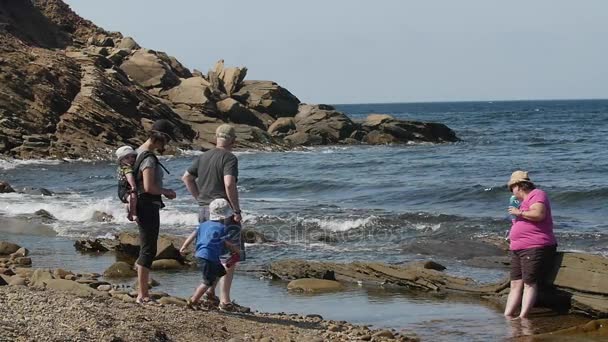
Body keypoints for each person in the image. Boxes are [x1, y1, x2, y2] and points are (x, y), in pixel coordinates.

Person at [181, 124, 248, 313]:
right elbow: (229, 183)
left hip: (204, 209)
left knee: (212, 250)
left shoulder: (203, 157)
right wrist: (236, 210)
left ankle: (210, 293)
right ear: (233, 140)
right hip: (224, 211)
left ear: (216, 138)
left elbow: (186, 177)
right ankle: (224, 300)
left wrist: (199, 198)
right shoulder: (230, 158)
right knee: (230, 254)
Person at [134, 119, 177, 304]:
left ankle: (142, 289)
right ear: (159, 138)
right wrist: (167, 192)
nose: (166, 145)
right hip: (147, 205)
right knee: (148, 250)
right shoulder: (149, 158)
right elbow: (149, 187)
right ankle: (142, 295)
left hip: (139, 204)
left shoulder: (136, 152)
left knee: (146, 247)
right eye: (166, 141)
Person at [504, 170, 557, 319]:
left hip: (534, 246)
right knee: (515, 283)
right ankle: (508, 315)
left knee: (529, 282)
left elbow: (539, 214)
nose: (512, 192)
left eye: (512, 187)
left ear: (520, 185)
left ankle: (523, 316)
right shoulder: (520, 203)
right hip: (517, 247)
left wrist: (519, 212)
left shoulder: (537, 194)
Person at [179, 199, 240, 309]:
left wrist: (184, 246)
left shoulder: (203, 225)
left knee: (220, 272)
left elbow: (193, 235)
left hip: (201, 254)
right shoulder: (223, 228)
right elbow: (228, 243)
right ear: (225, 216)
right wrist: (237, 250)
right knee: (207, 282)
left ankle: (209, 294)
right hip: (209, 257)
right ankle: (193, 301)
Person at [115, 146, 138, 222]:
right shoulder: (127, 168)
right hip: (126, 190)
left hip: (121, 191)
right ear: (121, 160)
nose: (131, 159)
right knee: (133, 198)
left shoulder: (120, 167)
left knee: (128, 201)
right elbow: (129, 177)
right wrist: (133, 186)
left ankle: (127, 210)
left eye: (132, 157)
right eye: (127, 158)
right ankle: (133, 214)